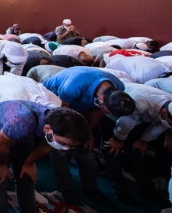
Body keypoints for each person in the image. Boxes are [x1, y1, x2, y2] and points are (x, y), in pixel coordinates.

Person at [42, 66, 136, 202]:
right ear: (102, 99)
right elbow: (62, 116)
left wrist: (88, 132)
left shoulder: (118, 86)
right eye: (107, 110)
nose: (107, 113)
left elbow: (99, 111)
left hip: (80, 106)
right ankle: (65, 188)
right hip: (57, 103)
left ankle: (91, 189)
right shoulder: (72, 87)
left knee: (87, 149)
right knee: (61, 148)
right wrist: (70, 139)